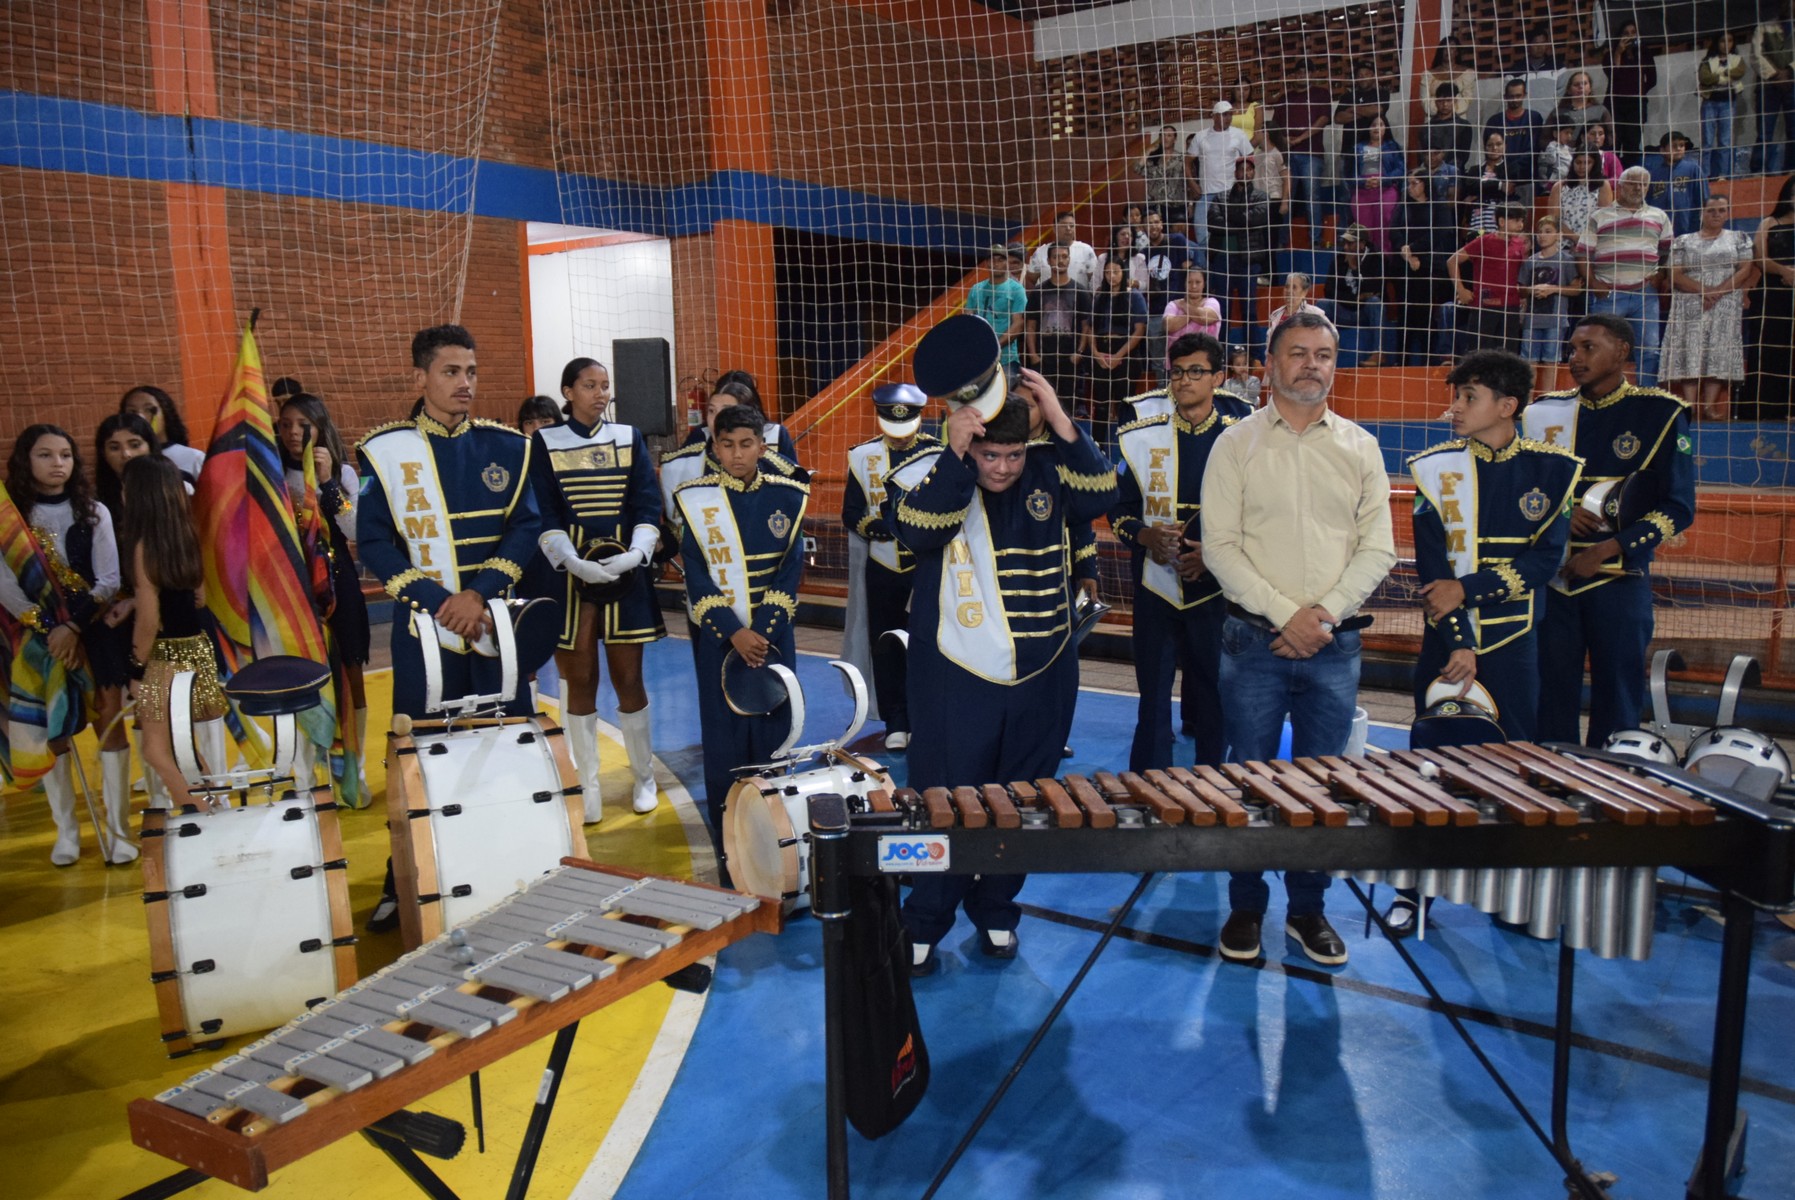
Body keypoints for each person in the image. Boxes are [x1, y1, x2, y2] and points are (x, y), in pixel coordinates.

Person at [886, 371, 1116, 976]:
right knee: (946, 798)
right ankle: (925, 919)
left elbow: (1100, 498)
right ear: (968, 443)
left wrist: (1063, 423)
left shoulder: (1050, 468)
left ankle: (997, 908)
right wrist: (956, 456)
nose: (1005, 467)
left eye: (1014, 454)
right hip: (956, 674)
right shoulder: (925, 473)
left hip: (1045, 669)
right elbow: (917, 531)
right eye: (992, 454)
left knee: (1023, 800)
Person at [1202, 311, 1396, 966]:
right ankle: (1245, 908)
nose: (1311, 364)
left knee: (1322, 786)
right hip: (1252, 645)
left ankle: (1307, 910)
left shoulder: (1361, 447)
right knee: (1249, 782)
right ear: (1268, 365)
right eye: (1297, 353)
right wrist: (1287, 615)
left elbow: (1379, 550)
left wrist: (1322, 617)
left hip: (1332, 649)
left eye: (1323, 354)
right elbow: (1219, 549)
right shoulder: (1234, 445)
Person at [1387, 351, 1582, 935]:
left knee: (1513, 767)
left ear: (1508, 406)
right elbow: (1431, 570)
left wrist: (1469, 589)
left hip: (1518, 643)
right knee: (1429, 766)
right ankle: (1415, 891)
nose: (1454, 408)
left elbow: (1545, 560)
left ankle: (1510, 891)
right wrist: (1459, 642)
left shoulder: (1555, 471)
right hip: (1446, 644)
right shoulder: (1432, 469)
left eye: (1468, 397)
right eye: (1455, 396)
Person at [1527, 314, 1695, 747]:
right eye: (1572, 349)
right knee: (1550, 695)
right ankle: (1551, 782)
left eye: (1588, 348)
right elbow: (1521, 495)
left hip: (1620, 580)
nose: (1575, 358)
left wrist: (1605, 550)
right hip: (1555, 579)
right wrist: (1561, 519)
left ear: (1622, 352)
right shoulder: (1545, 412)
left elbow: (1678, 508)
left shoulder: (1658, 412)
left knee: (1620, 698)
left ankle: (1614, 790)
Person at [527, 357, 665, 823]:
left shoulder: (629, 437)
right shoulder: (544, 442)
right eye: (590, 385)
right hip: (570, 581)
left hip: (626, 578)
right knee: (578, 682)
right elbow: (543, 511)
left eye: (605, 385)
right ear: (568, 392)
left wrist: (637, 553)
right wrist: (571, 561)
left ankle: (643, 777)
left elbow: (647, 501)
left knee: (630, 680)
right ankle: (586, 785)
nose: (601, 393)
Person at [1112, 332, 1251, 772]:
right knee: (1152, 694)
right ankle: (1146, 781)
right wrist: (1143, 536)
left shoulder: (1243, 439)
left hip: (1217, 591)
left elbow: (1259, 514)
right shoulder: (1138, 437)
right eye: (1177, 372)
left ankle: (1214, 778)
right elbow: (1119, 509)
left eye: (1196, 372)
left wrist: (1214, 555)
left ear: (1218, 379)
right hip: (1154, 587)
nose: (1185, 380)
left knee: (1214, 689)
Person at [673, 405, 809, 834]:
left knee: (775, 722)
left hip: (773, 637)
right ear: (714, 447)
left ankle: (774, 819)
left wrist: (760, 632)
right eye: (727, 445)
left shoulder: (788, 496)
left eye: (746, 444)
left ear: (762, 446)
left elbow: (789, 571)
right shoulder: (696, 499)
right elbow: (695, 573)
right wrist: (735, 633)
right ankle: (729, 823)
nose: (736, 454)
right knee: (724, 732)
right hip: (720, 639)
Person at [0, 425, 132, 864]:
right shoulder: (10, 518)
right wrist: (47, 630)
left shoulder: (94, 511)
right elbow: (5, 584)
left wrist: (72, 628)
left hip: (92, 631)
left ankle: (118, 829)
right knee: (53, 731)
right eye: (45, 455)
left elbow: (109, 579)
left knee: (109, 721)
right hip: (38, 637)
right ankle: (67, 832)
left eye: (65, 455)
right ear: (25, 461)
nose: (58, 463)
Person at [276, 391, 371, 801]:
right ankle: (307, 774)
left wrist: (329, 482)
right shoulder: (271, 474)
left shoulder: (344, 473)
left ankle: (355, 770)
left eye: (303, 425)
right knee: (297, 677)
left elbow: (354, 531)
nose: (295, 433)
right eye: (286, 425)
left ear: (320, 427)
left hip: (337, 582)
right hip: (289, 587)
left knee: (351, 671)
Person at [120, 453, 223, 814]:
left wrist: (136, 668)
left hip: (164, 658)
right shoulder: (184, 536)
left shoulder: (143, 546)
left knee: (156, 749)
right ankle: (216, 806)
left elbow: (149, 618)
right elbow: (198, 597)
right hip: (195, 649)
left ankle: (204, 815)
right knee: (183, 746)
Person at [842, 384, 937, 752]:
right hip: (882, 567)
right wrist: (876, 527)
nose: (899, 437)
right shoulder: (862, 457)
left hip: (925, 566)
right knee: (885, 644)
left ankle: (926, 716)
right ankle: (896, 719)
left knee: (927, 644)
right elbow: (850, 512)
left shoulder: (936, 455)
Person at [93, 413, 164, 808]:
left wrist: (138, 600)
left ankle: (165, 801)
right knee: (109, 708)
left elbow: (183, 575)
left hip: (158, 622)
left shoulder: (169, 494)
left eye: (134, 445)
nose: (125, 455)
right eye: (114, 447)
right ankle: (118, 824)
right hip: (107, 618)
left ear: (150, 446)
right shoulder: (95, 506)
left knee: (154, 714)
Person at [1663, 195, 1757, 421]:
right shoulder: (1683, 241)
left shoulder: (1740, 238)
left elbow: (1745, 269)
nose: (1716, 215)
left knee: (1718, 350)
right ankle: (1690, 406)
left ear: (1727, 213)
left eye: (1721, 210)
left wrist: (1718, 291)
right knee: (1691, 349)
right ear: (1702, 213)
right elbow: (1674, 274)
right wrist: (1705, 290)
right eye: (1711, 210)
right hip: (1690, 300)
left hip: (1725, 302)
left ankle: (1709, 406)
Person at [1578, 167, 1672, 387]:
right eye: (1632, 183)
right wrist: (1592, 283)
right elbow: (1582, 253)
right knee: (1600, 348)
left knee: (1649, 350)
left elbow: (1668, 251)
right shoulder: (1599, 216)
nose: (1638, 188)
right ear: (1620, 185)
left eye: (1643, 184)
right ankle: (1599, 395)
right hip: (1608, 294)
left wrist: (1661, 275)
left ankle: (1646, 397)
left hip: (1645, 294)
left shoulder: (1659, 216)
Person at [1390, 171, 1459, 365]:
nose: (1410, 187)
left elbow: (1440, 233)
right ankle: (1401, 361)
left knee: (1425, 316)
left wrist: (1414, 250)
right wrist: (1406, 252)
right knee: (1405, 315)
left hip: (1429, 267)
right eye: (1409, 183)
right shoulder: (1403, 205)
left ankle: (1427, 361)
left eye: (1415, 183)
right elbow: (1393, 230)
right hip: (1403, 266)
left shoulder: (1438, 207)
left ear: (1426, 184)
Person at [1081, 257, 1148, 449]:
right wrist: (1095, 352)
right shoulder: (1099, 297)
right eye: (1108, 272)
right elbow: (1091, 328)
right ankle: (1098, 449)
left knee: (1125, 405)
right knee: (1100, 405)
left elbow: (1139, 330)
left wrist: (1119, 355)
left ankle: (1128, 449)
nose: (1112, 276)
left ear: (1124, 272)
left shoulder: (1134, 296)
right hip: (1101, 352)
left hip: (1126, 353)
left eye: (1116, 272)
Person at [1450, 204, 1531, 355]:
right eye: (1517, 220)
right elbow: (1452, 261)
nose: (1521, 225)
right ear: (1501, 221)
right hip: (1485, 307)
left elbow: (1521, 272)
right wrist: (1461, 290)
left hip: (1511, 307)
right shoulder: (1484, 241)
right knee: (1479, 354)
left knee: (1508, 356)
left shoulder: (1520, 244)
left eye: (1522, 220)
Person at [1208, 157, 1272, 344]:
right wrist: (1242, 222)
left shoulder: (1261, 197)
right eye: (1242, 169)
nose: (1246, 172)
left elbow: (1256, 219)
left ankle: (1253, 355)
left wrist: (1232, 218)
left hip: (1247, 261)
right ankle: (1219, 354)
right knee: (1222, 311)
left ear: (1253, 173)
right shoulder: (1220, 196)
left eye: (1250, 169)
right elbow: (1213, 223)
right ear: (1235, 172)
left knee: (1249, 311)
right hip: (1222, 260)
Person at [1025, 243, 1088, 409]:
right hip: (1044, 358)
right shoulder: (1038, 292)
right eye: (1055, 256)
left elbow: (1087, 326)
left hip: (1070, 358)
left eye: (1064, 256)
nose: (1060, 260)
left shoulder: (1080, 291)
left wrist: (1079, 352)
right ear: (1048, 260)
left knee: (1068, 408)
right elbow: (1030, 326)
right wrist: (1033, 355)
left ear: (1069, 260)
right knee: (1042, 405)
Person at [1752, 177, 1795, 419]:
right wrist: (1784, 271)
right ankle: (1769, 408)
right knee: (1772, 348)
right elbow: (1760, 259)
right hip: (1773, 294)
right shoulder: (1770, 222)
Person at [1191, 103, 1253, 267]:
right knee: (1201, 234)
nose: (1228, 118)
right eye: (1224, 115)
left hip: (1230, 194)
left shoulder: (1238, 135)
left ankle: (1233, 270)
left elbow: (1251, 159)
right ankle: (1206, 273)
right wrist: (1193, 184)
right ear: (1214, 116)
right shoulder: (1200, 136)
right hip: (1206, 194)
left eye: (1229, 114)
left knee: (1233, 237)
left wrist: (1243, 183)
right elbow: (1187, 162)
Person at [1280, 61, 1337, 237]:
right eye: (1298, 71)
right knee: (1285, 197)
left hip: (1311, 153)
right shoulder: (1285, 98)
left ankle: (1315, 239)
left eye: (1305, 71)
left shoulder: (1321, 94)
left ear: (1312, 74)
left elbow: (1322, 121)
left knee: (1312, 197)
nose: (1301, 74)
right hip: (1287, 154)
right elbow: (1274, 127)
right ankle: (1281, 240)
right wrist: (1284, 139)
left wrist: (1300, 138)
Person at [1519, 216, 1580, 376]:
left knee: (1550, 362)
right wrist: (1531, 290)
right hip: (1532, 320)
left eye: (1548, 232)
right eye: (1539, 232)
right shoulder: (1530, 261)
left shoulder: (1566, 260)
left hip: (1555, 320)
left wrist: (1553, 289)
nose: (1542, 236)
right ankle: (1529, 398)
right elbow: (1520, 289)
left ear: (1558, 235)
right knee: (1528, 362)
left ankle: (1548, 398)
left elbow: (1576, 289)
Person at [1321, 225, 1388, 365]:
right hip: (1346, 309)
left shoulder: (1376, 259)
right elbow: (1329, 290)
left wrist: (1355, 269)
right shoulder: (1339, 260)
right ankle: (1322, 354)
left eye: (1350, 243)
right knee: (1322, 304)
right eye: (1344, 243)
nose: (1345, 247)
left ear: (1362, 244)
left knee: (1375, 302)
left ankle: (1378, 353)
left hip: (1366, 312)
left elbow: (1376, 289)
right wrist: (1355, 299)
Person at [1139, 210, 1193, 380]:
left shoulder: (1176, 240)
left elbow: (1189, 270)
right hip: (1154, 311)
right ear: (1143, 227)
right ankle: (1163, 398)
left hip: (1178, 310)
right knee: (1158, 362)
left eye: (1156, 222)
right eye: (1149, 223)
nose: (1153, 226)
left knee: (1182, 357)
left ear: (1161, 224)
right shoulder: (1143, 254)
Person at [120, 385, 205, 484]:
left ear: (166, 414)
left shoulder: (193, 458)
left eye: (149, 410)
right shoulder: (123, 456)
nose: (140, 417)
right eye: (132, 411)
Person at [965, 244, 1030, 369]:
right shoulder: (975, 289)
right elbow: (968, 321)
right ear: (987, 263)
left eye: (1000, 260)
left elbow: (1018, 325)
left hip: (1006, 359)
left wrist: (995, 346)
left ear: (1007, 263)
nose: (996, 263)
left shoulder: (1017, 290)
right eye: (992, 260)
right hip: (977, 357)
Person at [1334, 59, 1391, 198]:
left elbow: (1377, 109)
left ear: (1373, 75)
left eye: (1367, 73)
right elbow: (1338, 118)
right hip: (1348, 152)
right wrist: (1365, 111)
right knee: (1347, 194)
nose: (1363, 77)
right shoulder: (1347, 96)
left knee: (1370, 193)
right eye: (1360, 74)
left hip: (1372, 152)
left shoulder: (1381, 93)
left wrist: (1353, 109)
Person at [1350, 115, 1405, 251]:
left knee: (1385, 221)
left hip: (1386, 189)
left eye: (1380, 124)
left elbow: (1401, 170)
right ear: (1368, 128)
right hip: (1363, 191)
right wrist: (1363, 183)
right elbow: (1350, 175)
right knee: (1364, 228)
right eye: (1373, 125)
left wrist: (1383, 180)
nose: (1376, 128)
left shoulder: (1393, 146)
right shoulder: (1358, 148)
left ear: (1385, 128)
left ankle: (1385, 258)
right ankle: (1365, 259)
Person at [1605, 20, 1656, 163]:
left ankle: (1630, 178)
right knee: (1614, 143)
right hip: (1615, 104)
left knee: (1632, 145)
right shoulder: (1610, 54)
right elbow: (1613, 75)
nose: (1630, 36)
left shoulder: (1644, 53)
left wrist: (1638, 91)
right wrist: (1618, 53)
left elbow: (1652, 79)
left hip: (1636, 105)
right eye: (1626, 33)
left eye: (1633, 33)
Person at [1699, 31, 1748, 181]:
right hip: (1710, 103)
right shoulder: (1708, 60)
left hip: (1728, 102)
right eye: (1722, 41)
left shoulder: (1737, 59)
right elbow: (1705, 77)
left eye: (1730, 40)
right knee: (1707, 141)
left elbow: (1740, 72)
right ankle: (1705, 174)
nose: (1726, 44)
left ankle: (1723, 175)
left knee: (1725, 141)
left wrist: (1718, 76)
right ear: (1716, 42)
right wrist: (1726, 75)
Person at [1752, 8, 1795, 176]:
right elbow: (1756, 56)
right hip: (1768, 85)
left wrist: (1790, 71)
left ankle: (1790, 170)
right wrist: (1775, 74)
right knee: (1764, 131)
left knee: (1794, 130)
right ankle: (1761, 171)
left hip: (1793, 84)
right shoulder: (1763, 27)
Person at [1484, 78, 1545, 187]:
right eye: (1511, 96)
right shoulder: (1494, 121)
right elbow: (1490, 151)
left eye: (1518, 95)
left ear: (1524, 95)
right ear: (1505, 97)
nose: (1515, 99)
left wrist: (1513, 168)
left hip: (1529, 178)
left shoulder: (1534, 118)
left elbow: (1534, 148)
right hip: (1501, 178)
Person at [1647, 132, 1709, 238]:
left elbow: (1704, 198)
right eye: (1674, 146)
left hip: (1688, 227)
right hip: (1659, 229)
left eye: (1681, 145)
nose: (1679, 148)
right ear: (1662, 150)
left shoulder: (1693, 169)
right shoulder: (1654, 173)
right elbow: (1648, 202)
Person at [1135, 125, 1194, 230]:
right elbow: (1137, 169)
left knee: (1177, 239)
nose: (1165, 138)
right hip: (1156, 208)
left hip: (1177, 206)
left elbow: (1190, 182)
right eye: (1162, 135)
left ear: (1175, 139)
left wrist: (1190, 204)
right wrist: (1148, 151)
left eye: (1169, 136)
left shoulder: (1182, 158)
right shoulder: (1153, 159)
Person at [1549, 149, 1615, 240]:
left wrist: (1584, 242)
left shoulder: (1602, 185)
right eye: (1578, 162)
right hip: (1563, 243)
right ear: (1573, 163)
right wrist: (1576, 238)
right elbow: (1554, 220)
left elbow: (1604, 219)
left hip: (1592, 242)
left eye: (1587, 163)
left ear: (1595, 164)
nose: (1582, 167)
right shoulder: (1559, 187)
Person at [1025, 211, 1099, 291]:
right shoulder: (1040, 252)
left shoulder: (1086, 250)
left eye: (1072, 226)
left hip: (1078, 301)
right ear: (1054, 228)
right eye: (1064, 225)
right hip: (1048, 301)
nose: (1068, 228)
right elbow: (1030, 280)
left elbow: (1095, 280)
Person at [1263, 273, 1325, 360]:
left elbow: (1332, 337)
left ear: (1304, 292)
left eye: (1294, 287)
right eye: (1287, 287)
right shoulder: (1276, 315)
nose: (1289, 291)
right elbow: (1269, 348)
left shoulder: (1315, 314)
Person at [1417, 83, 1475, 170]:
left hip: (1453, 173)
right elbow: (1421, 156)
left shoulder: (1464, 126)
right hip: (1428, 172)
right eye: (1441, 101)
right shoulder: (1425, 129)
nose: (1445, 105)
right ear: (1436, 102)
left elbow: (1462, 157)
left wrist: (1445, 171)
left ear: (1455, 101)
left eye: (1448, 100)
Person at [1163, 266, 1223, 346]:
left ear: (1204, 284)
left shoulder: (1212, 302)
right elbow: (1168, 326)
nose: (1193, 286)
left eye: (1198, 282)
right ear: (1184, 283)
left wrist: (1184, 306)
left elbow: (1204, 318)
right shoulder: (1173, 305)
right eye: (1189, 282)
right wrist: (1194, 314)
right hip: (1178, 357)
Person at [1420, 42, 1478, 122]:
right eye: (1445, 49)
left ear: (1457, 52)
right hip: (1433, 119)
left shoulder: (1467, 74)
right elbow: (1425, 101)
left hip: (1458, 118)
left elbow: (1467, 99)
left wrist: (1448, 112)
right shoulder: (1428, 75)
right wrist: (1441, 111)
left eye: (1451, 48)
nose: (1448, 51)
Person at [1551, 71, 1609, 148]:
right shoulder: (1558, 112)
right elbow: (1545, 138)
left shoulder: (1601, 110)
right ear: (1569, 90)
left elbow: (1611, 135)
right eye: (1576, 84)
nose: (1581, 87)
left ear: (1590, 88)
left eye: (1585, 83)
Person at [1097, 224, 1149, 294]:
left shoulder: (1139, 259)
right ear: (1115, 237)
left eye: (1130, 235)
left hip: (1132, 299)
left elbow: (1145, 285)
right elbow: (1094, 284)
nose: (1127, 237)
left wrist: (1128, 283)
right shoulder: (1102, 258)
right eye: (1123, 234)